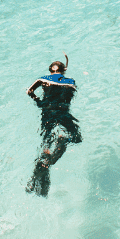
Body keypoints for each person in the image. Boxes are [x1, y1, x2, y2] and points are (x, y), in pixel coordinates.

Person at [25, 56, 81, 197]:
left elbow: (29, 91)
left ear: (50, 70)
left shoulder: (42, 79)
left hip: (47, 113)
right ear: (63, 70)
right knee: (76, 138)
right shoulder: (70, 81)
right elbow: (71, 95)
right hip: (63, 113)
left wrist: (39, 102)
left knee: (46, 144)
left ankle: (36, 177)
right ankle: (62, 143)